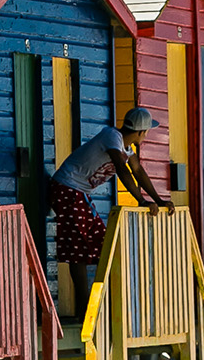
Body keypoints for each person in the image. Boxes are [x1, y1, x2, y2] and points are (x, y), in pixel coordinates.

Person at [50, 107, 173, 301]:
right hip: (67, 188)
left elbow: (138, 171)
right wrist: (141, 201)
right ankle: (84, 306)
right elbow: (122, 169)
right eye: (147, 131)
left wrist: (158, 200)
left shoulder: (127, 148)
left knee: (102, 243)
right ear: (142, 132)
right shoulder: (112, 136)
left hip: (80, 193)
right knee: (78, 249)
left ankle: (100, 302)